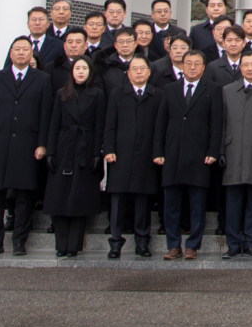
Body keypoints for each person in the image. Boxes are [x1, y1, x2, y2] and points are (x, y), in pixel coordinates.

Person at [0, 36, 52, 257]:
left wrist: (42, 144)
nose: (20, 53)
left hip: (28, 145)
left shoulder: (42, 79)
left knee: (24, 197)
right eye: (16, 49)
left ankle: (20, 241)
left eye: (24, 49)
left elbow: (45, 114)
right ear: (10, 54)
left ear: (31, 54)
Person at [154, 49, 221, 261]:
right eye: (188, 63)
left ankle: (193, 245)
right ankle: (173, 245)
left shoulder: (213, 89)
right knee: (171, 204)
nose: (192, 67)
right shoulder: (170, 88)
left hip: (199, 155)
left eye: (197, 63)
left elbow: (216, 124)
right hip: (172, 154)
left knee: (197, 204)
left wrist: (213, 151)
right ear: (182, 66)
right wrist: (158, 150)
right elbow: (161, 122)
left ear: (203, 67)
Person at [44, 56, 105, 257]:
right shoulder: (62, 94)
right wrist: (51, 151)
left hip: (85, 149)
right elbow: (53, 125)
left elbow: (99, 127)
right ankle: (60, 245)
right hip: (63, 147)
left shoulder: (97, 94)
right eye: (77, 68)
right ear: (71, 72)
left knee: (80, 198)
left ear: (90, 72)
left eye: (84, 68)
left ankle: (73, 246)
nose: (80, 71)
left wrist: (97, 152)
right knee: (59, 196)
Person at [217, 51, 252, 260]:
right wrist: (221, 150)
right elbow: (221, 123)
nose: (250, 68)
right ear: (240, 68)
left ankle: (250, 242)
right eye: (245, 65)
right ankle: (232, 244)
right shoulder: (227, 91)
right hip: (233, 153)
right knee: (232, 202)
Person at [103, 55, 160, 259]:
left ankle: (142, 242)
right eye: (134, 69)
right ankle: (116, 243)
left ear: (148, 72)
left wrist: (158, 152)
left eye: (142, 68)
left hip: (146, 156)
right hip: (120, 155)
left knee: (142, 202)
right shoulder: (117, 94)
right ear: (128, 73)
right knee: (118, 201)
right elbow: (110, 124)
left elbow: (160, 128)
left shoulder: (157, 95)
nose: (138, 72)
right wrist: (108, 149)